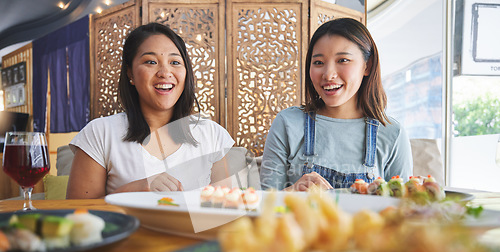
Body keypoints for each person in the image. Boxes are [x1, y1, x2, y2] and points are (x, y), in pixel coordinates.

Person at [67, 23, 234, 199]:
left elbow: (223, 212)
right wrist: (135, 189)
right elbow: (77, 215)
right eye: (151, 62)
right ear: (130, 73)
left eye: (175, 62)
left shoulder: (212, 134)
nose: (165, 72)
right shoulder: (100, 133)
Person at [260, 18, 412, 191]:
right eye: (318, 62)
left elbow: (402, 210)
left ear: (367, 66)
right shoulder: (287, 123)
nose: (328, 74)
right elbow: (264, 204)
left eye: (343, 60)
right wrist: (293, 191)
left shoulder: (393, 134)